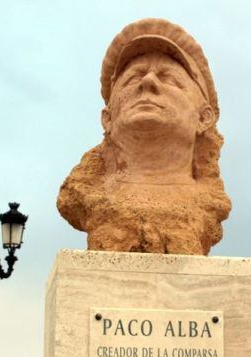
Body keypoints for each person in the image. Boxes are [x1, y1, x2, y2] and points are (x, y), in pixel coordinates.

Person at [57, 18, 231, 255]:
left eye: (170, 78)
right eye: (133, 78)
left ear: (204, 118)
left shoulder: (207, 203)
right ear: (108, 119)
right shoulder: (89, 195)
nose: (148, 82)